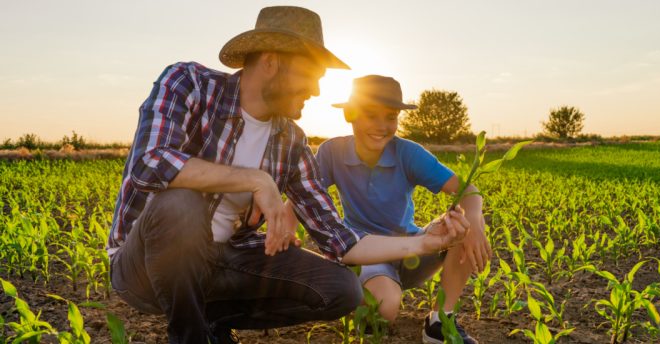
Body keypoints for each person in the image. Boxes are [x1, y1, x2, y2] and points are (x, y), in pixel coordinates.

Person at [107, 7, 469, 344]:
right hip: (144, 267)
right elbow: (149, 163)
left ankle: (210, 320)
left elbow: (339, 239)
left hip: (225, 261)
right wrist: (254, 179)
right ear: (271, 61)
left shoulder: (291, 141)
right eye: (312, 76)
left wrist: (425, 243)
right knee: (181, 203)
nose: (315, 91)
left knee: (341, 288)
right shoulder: (189, 83)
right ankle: (191, 336)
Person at [308, 75, 491, 344]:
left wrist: (473, 221)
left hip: (413, 248)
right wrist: (287, 228)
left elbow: (468, 190)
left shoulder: (408, 153)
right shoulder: (331, 152)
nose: (382, 126)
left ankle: (441, 322)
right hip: (367, 253)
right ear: (351, 114)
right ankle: (357, 294)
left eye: (391, 116)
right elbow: (305, 196)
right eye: (372, 115)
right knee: (384, 309)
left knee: (461, 226)